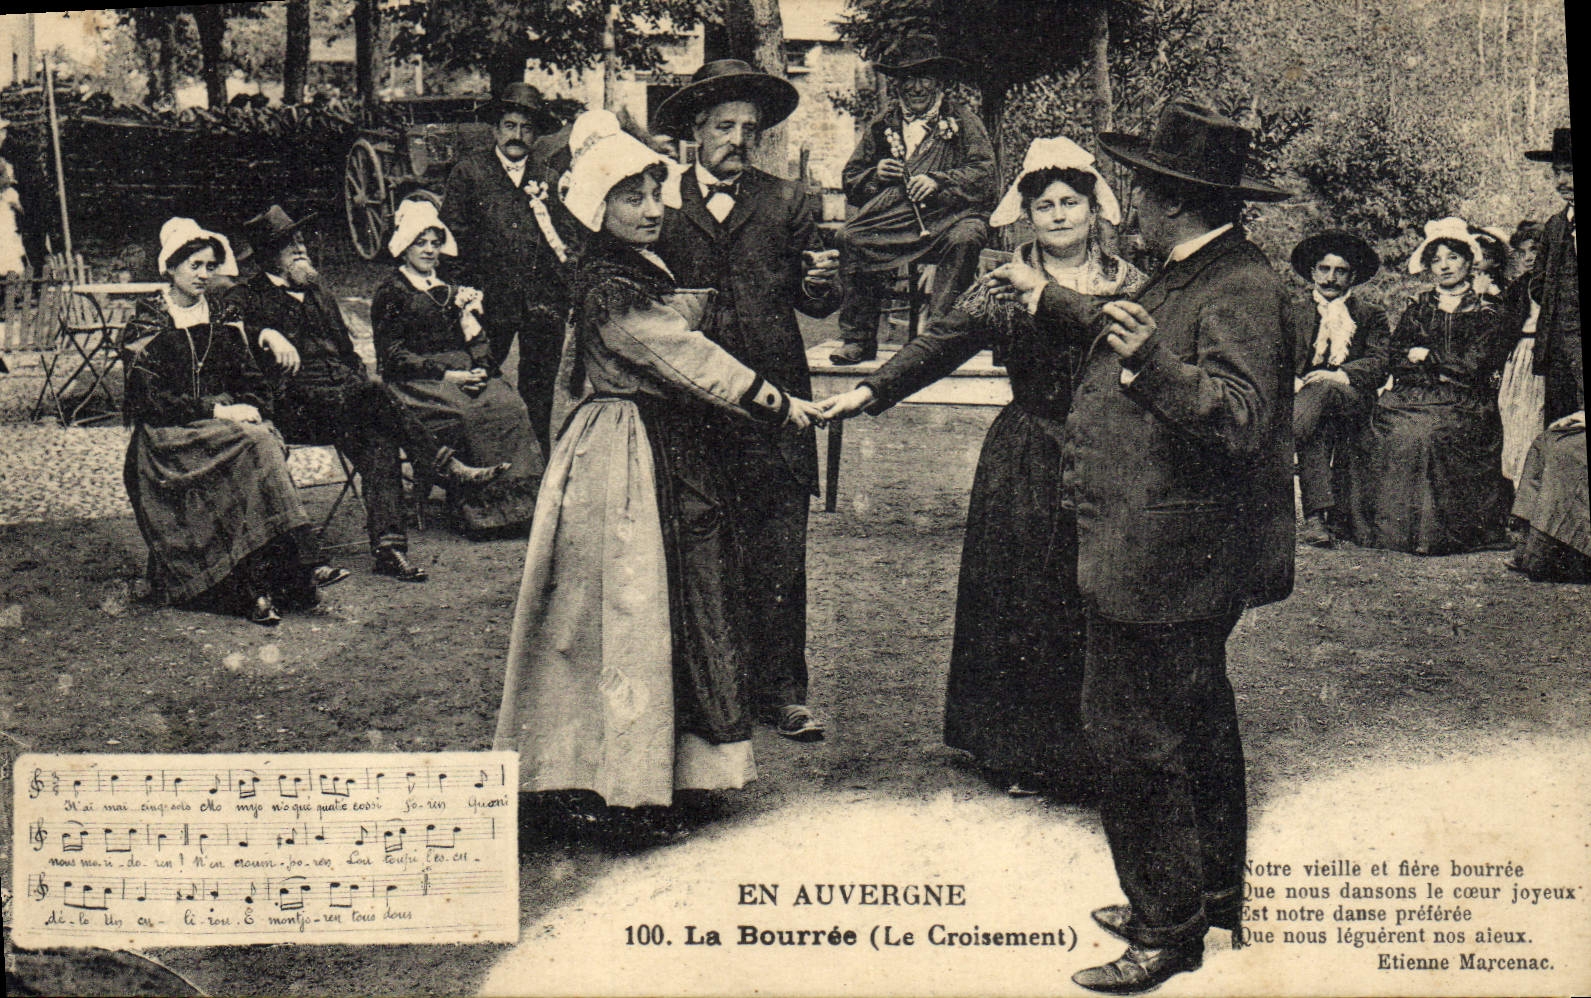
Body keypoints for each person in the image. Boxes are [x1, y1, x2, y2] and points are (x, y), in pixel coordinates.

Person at [1008, 103, 1294, 993]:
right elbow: (1114, 327)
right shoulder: (1191, 269)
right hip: (1162, 545)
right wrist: (1069, 311)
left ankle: (1167, 929)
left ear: (1173, 199)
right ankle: (1205, 893)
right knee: (1197, 723)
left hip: (1168, 557)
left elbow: (1243, 419)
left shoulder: (1236, 284)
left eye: (1138, 185)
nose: (1125, 198)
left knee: (1131, 734)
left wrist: (1155, 368)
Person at [492, 111, 826, 824]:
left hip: (654, 445)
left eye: (654, 195)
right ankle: (613, 781)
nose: (650, 211)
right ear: (596, 208)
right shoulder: (608, 283)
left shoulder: (631, 269)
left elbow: (671, 325)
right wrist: (776, 401)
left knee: (658, 607)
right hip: (625, 454)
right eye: (631, 199)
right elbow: (678, 354)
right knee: (625, 611)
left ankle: (647, 771)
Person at [821, 137, 1146, 798]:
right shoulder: (1001, 281)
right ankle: (1024, 752)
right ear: (1024, 213)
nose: (1057, 215)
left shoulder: (1129, 279)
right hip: (1026, 451)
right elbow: (939, 341)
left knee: (1095, 595)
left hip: (1106, 454)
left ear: (1093, 208)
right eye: (1043, 204)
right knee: (1025, 594)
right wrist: (870, 391)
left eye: (1069, 203)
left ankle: (1095, 748)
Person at [652, 59, 842, 741]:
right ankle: (712, 691)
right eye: (723, 126)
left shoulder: (787, 200)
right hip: (694, 402)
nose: (737, 138)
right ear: (695, 131)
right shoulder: (662, 202)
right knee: (701, 548)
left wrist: (822, 282)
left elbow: (813, 299)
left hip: (778, 401)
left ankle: (784, 691)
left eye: (749, 129)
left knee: (779, 549)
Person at [227, 204, 503, 582]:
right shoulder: (250, 296)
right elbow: (222, 309)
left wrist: (354, 377)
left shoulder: (318, 288)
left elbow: (348, 350)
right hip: (296, 409)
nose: (301, 248)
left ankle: (390, 550)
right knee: (375, 396)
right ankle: (444, 465)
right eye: (290, 245)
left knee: (379, 433)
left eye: (302, 240)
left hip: (346, 401)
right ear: (267, 256)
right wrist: (264, 332)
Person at [123, 218, 330, 626]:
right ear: (171, 267)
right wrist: (218, 411)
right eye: (194, 265)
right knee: (255, 444)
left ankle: (277, 575)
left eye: (209, 266)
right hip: (168, 438)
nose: (203, 274)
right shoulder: (147, 322)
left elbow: (250, 379)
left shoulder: (222, 315)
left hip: (221, 430)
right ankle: (298, 564)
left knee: (262, 435)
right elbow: (148, 400)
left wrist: (251, 406)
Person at [372, 196, 544, 535]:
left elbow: (476, 338)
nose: (429, 250)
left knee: (510, 405)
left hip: (464, 374)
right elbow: (392, 356)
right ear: (405, 246)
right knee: (469, 415)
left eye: (435, 243)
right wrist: (448, 374)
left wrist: (481, 365)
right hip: (417, 382)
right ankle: (483, 512)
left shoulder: (451, 291)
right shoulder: (391, 292)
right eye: (420, 243)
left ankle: (524, 509)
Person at [830, 34, 996, 364]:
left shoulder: (962, 121)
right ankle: (858, 338)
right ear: (897, 84)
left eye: (924, 78)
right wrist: (876, 173)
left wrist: (938, 180)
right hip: (899, 218)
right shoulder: (883, 125)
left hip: (954, 217)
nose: (916, 87)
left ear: (939, 82)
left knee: (967, 238)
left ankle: (938, 340)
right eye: (907, 79)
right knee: (850, 237)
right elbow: (851, 180)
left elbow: (986, 176)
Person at [1360, 217, 1513, 554]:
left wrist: (1428, 359)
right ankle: (1396, 530)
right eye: (1436, 259)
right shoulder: (1418, 309)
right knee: (1390, 428)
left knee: (1428, 434)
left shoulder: (1487, 311)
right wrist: (1424, 365)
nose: (1444, 266)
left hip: (1465, 401)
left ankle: (1436, 534)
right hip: (1413, 396)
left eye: (1453, 257)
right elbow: (1396, 358)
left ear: (1470, 261)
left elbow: (1475, 364)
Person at [441, 83, 577, 453]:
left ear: (536, 134)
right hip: (487, 302)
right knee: (479, 381)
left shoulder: (547, 177)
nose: (517, 136)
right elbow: (451, 243)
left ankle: (538, 471)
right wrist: (462, 297)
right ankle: (476, 465)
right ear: (496, 129)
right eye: (510, 126)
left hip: (540, 305)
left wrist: (561, 294)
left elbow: (565, 241)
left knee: (539, 390)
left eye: (526, 128)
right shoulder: (469, 174)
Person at [1284, 230, 1389, 547]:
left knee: (1325, 389)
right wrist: (1292, 378)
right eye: (1324, 269)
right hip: (1307, 403)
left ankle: (1280, 439)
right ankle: (1316, 520)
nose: (1331, 278)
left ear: (1352, 276)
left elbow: (1381, 361)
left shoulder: (1371, 315)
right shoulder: (1293, 312)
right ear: (1313, 272)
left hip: (1352, 398)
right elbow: (1277, 356)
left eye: (1340, 271)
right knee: (1317, 429)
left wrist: (1341, 374)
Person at [1525, 129, 1580, 428]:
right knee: (1560, 428)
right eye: (1557, 173)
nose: (1562, 181)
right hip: (1558, 350)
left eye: (1569, 171)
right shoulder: (1556, 225)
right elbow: (1538, 281)